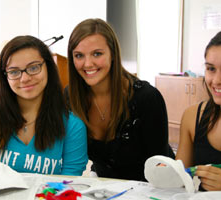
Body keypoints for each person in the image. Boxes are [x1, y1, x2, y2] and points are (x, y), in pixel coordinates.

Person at [66, 18, 174, 181]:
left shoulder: (146, 97)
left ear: (113, 54)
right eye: (79, 55)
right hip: (105, 188)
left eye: (97, 54)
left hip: (151, 188)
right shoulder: (71, 97)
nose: (88, 63)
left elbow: (159, 167)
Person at [0, 35, 88, 176]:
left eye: (34, 67)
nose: (25, 78)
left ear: (48, 67)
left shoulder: (72, 126)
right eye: (14, 72)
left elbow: (68, 186)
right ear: (5, 76)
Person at [176, 31, 221, 191]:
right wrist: (168, 174)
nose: (216, 81)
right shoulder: (192, 116)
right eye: (211, 69)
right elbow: (180, 182)